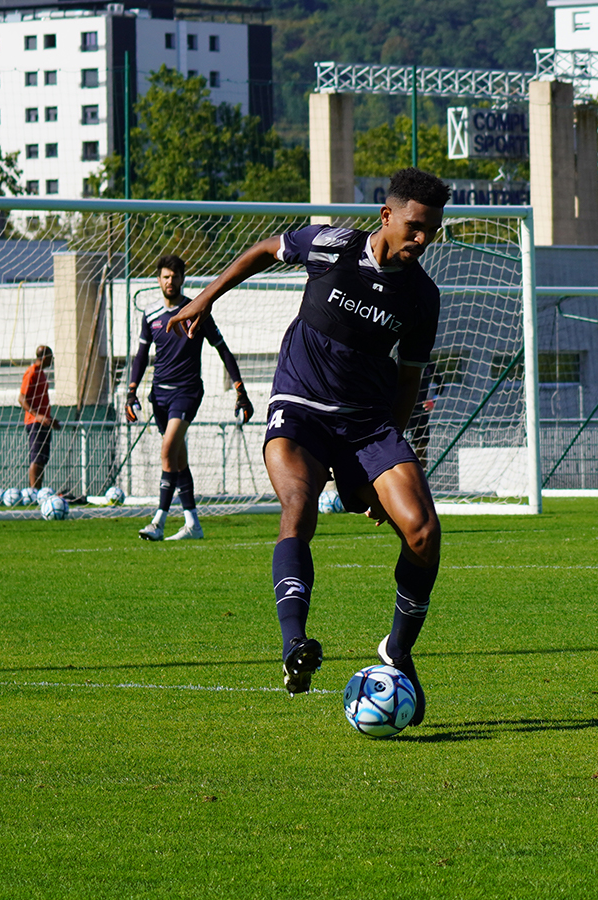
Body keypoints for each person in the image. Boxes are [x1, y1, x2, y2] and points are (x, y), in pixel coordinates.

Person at [167, 167, 450, 725]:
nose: (422, 240)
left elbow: (410, 381)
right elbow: (262, 249)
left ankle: (397, 650)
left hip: (368, 423)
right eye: (415, 227)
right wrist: (205, 299)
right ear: (386, 216)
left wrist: (387, 459)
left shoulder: (422, 297)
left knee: (423, 531)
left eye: (432, 232)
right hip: (298, 408)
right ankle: (295, 645)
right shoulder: (331, 243)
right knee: (297, 507)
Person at [126, 253, 253, 541]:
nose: (171, 281)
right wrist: (131, 391)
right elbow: (141, 356)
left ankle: (158, 522)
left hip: (187, 392)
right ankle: (192, 523)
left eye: (175, 276)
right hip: (158, 396)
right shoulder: (150, 315)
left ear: (183, 279)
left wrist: (240, 389)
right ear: (158, 279)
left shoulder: (197, 309)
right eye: (165, 276)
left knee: (168, 450)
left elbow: (223, 349)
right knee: (177, 461)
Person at [18, 345, 61, 489]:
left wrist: (49, 418)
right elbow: (22, 398)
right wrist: (38, 416)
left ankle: (38, 489)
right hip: (34, 422)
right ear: (43, 358)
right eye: (50, 357)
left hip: (43, 422)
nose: (52, 360)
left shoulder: (42, 373)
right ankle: (33, 491)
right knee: (36, 458)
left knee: (42, 459)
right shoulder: (31, 373)